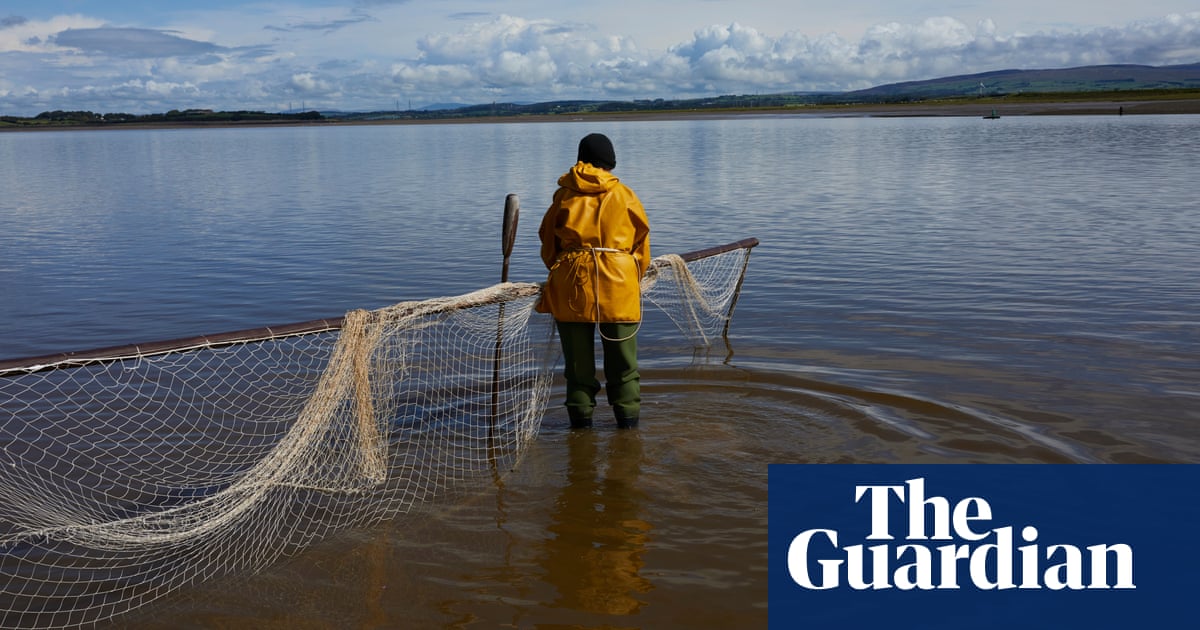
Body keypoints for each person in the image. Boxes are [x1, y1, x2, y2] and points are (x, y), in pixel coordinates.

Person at [537, 133, 650, 429]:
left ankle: (580, 434)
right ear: (610, 161)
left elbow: (548, 243)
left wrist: (561, 269)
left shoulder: (564, 195)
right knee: (624, 366)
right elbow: (641, 245)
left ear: (581, 159)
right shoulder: (625, 194)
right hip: (619, 284)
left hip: (572, 282)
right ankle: (627, 429)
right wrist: (631, 275)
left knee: (576, 367)